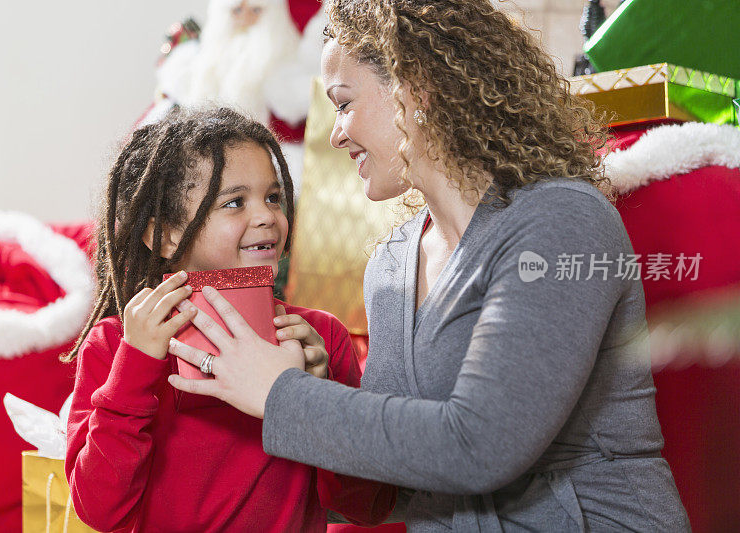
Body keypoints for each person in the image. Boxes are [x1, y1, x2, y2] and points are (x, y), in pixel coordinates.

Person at [166, 1, 692, 531]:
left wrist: (283, 393)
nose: (335, 134)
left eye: (344, 103)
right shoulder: (391, 264)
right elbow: (389, 480)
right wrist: (315, 381)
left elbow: (482, 444)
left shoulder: (562, 220)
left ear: (414, 89)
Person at [64, 107, 396, 532]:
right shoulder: (116, 346)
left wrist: (318, 398)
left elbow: (368, 506)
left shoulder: (319, 338)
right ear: (164, 234)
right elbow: (98, 509)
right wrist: (136, 367)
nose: (266, 217)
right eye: (235, 202)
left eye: (274, 197)